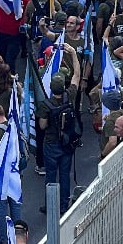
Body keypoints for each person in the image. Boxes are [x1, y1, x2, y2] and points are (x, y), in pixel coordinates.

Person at [36, 71, 80, 215]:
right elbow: (76, 77)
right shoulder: (70, 97)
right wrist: (73, 54)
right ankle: (63, 205)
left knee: (51, 175)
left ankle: (50, 204)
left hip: (51, 143)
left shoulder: (45, 105)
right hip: (67, 143)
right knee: (64, 174)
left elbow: (42, 126)